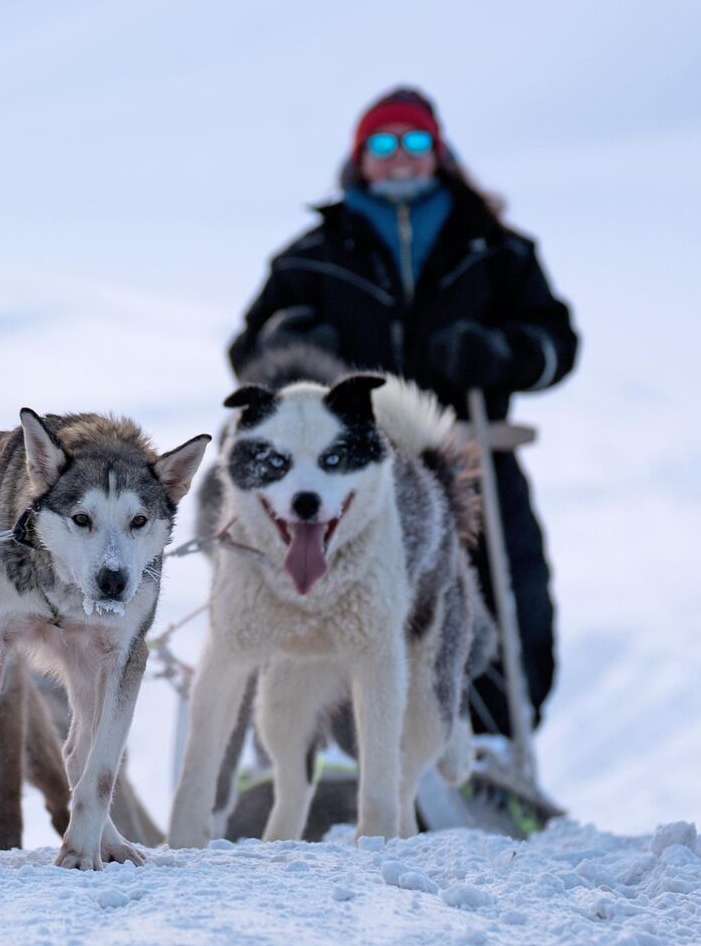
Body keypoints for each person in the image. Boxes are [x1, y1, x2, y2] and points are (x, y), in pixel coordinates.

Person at [227, 86, 578, 739]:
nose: (399, 158)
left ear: (437, 153)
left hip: (474, 457)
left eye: (414, 143)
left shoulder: (496, 251)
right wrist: (298, 348)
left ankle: (492, 743)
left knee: (503, 597)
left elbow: (559, 346)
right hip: (350, 469)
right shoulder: (314, 255)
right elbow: (249, 354)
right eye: (382, 145)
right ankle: (340, 744)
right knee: (338, 595)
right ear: (361, 159)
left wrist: (501, 354)